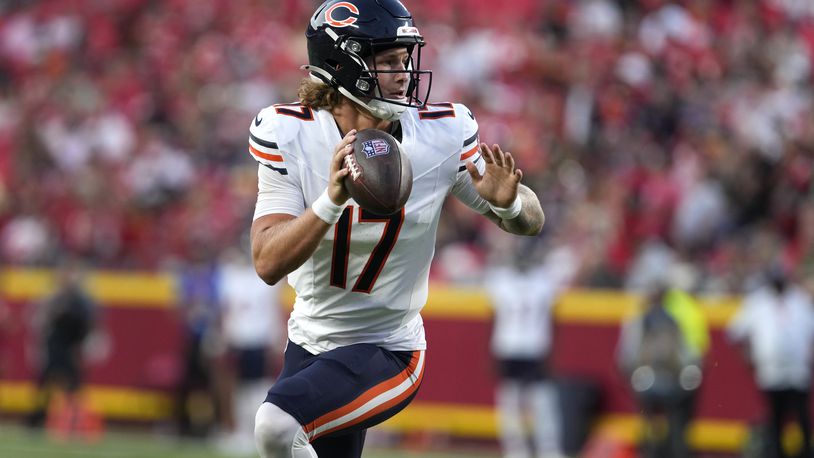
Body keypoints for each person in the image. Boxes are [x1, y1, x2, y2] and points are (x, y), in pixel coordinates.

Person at [248, 1, 545, 457]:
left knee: (275, 426)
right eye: (387, 60)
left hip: (389, 348)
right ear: (341, 64)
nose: (403, 72)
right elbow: (267, 262)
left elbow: (532, 220)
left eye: (404, 58)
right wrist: (332, 199)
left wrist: (508, 205)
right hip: (307, 343)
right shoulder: (291, 134)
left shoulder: (440, 136)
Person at [486, 243, 580, 458]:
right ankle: (530, 450)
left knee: (535, 403)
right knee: (521, 403)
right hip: (519, 346)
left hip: (520, 346)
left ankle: (538, 450)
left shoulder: (515, 280)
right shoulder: (540, 280)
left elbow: (494, 318)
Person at [616, 277, 708, 458]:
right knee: (676, 429)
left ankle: (651, 451)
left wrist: (635, 380)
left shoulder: (638, 319)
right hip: (675, 387)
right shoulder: (676, 319)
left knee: (649, 427)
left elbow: (625, 358)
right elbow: (691, 357)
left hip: (646, 385)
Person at [727, 266, 814, 458]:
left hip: (797, 370)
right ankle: (777, 453)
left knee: (802, 417)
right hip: (771, 369)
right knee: (776, 418)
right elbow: (735, 331)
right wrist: (748, 355)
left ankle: (806, 453)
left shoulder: (799, 300)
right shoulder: (758, 302)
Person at [27, 260, 98, 431]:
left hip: (70, 346)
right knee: (47, 382)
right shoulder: (54, 298)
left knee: (73, 385)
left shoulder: (81, 301)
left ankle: (74, 420)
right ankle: (38, 417)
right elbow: (41, 322)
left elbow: (85, 326)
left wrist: (80, 345)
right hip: (54, 345)